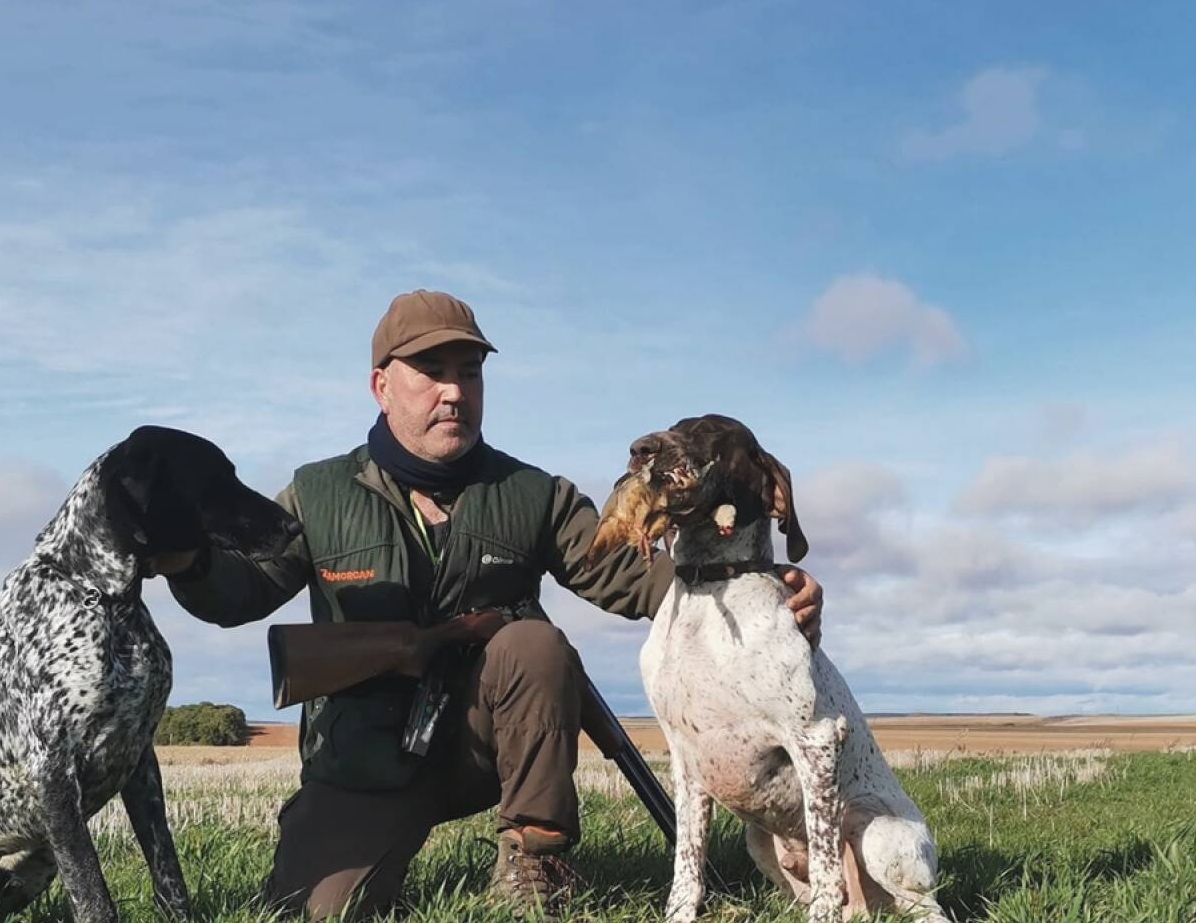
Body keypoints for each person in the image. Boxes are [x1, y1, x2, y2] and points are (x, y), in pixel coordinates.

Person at [154, 290, 823, 920]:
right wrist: (186, 556)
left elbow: (635, 579)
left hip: (486, 749)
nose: (453, 391)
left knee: (534, 645)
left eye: (469, 372)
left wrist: (759, 592)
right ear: (381, 386)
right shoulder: (317, 493)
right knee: (314, 910)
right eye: (430, 370)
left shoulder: (533, 494)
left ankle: (534, 859)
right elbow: (240, 592)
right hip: (365, 757)